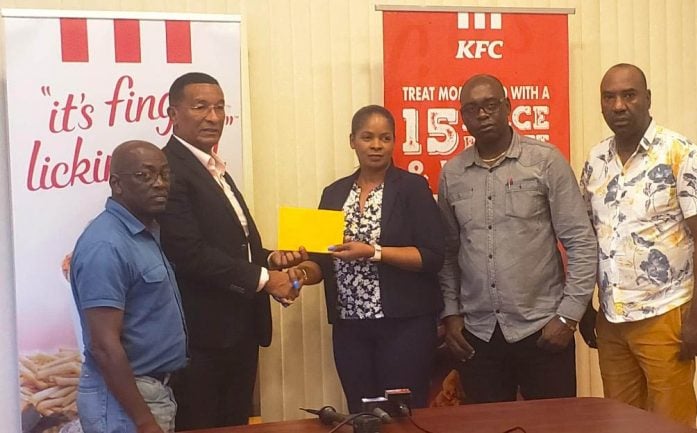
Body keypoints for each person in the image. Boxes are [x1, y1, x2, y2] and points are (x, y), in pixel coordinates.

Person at [157, 72, 305, 429]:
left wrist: (271, 258)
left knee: (236, 423)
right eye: (201, 107)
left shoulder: (212, 166)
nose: (213, 116)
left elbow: (233, 242)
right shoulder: (169, 168)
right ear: (173, 112)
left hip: (238, 331)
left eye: (220, 107)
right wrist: (267, 279)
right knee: (203, 424)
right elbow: (187, 252)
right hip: (202, 337)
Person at [438, 74, 598, 403]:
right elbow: (448, 254)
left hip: (542, 330)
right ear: (462, 117)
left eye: (490, 105)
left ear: (508, 107)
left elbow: (581, 242)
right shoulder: (452, 174)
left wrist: (568, 317)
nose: (481, 114)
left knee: (554, 429)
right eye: (471, 109)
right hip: (479, 336)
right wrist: (451, 316)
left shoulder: (545, 161)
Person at [579, 63, 697, 426]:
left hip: (665, 313)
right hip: (611, 318)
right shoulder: (596, 161)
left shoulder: (680, 153)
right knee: (622, 421)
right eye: (609, 97)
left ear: (647, 98)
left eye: (629, 95)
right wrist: (585, 306)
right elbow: (587, 237)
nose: (619, 105)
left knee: (671, 423)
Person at [292, 105, 445, 413]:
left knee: (401, 414)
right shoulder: (333, 194)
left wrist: (373, 252)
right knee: (361, 413)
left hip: (405, 325)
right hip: (350, 328)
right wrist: (296, 273)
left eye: (385, 138)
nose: (376, 145)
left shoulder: (412, 188)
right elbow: (322, 262)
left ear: (394, 142)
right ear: (353, 141)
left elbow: (432, 256)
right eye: (367, 137)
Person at [70, 140, 186, 433]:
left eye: (164, 174)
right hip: (124, 403)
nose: (159, 184)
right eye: (144, 175)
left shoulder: (142, 233)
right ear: (116, 184)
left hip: (151, 391)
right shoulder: (106, 244)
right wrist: (145, 421)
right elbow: (104, 346)